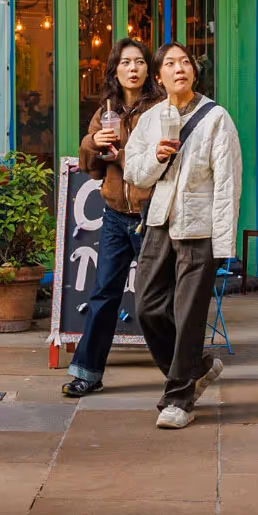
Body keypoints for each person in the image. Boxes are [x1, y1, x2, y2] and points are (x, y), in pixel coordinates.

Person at [121, 41, 241, 429]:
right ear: (159, 77)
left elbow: (228, 184)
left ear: (193, 71)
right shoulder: (151, 119)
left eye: (185, 62)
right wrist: (156, 157)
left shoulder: (216, 118)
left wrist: (224, 243)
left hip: (199, 227)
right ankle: (199, 367)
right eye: (170, 64)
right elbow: (133, 174)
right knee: (147, 307)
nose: (179, 69)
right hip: (158, 222)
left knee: (188, 315)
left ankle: (178, 399)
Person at [62, 38, 163, 399]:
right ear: (115, 70)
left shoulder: (161, 108)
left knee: (157, 299)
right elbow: (91, 168)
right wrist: (93, 142)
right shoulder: (108, 108)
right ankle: (88, 373)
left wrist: (121, 156)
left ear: (148, 69)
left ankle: (181, 371)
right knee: (103, 293)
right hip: (116, 216)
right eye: (125, 63)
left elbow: (159, 162)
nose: (133, 68)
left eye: (139, 62)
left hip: (153, 217)